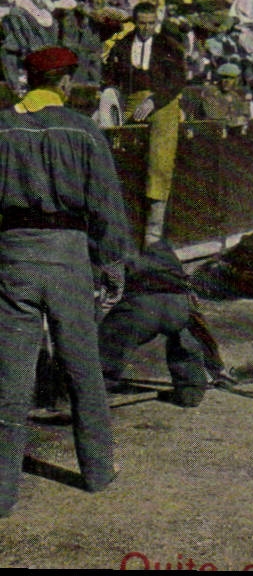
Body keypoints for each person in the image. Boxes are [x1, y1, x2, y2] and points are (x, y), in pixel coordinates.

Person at [0, 46, 130, 516]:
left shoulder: (2, 127)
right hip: (69, 257)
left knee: (11, 376)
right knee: (82, 369)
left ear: (25, 78)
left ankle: (2, 493)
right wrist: (112, 266)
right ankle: (96, 474)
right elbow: (107, 208)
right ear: (67, 83)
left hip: (14, 257)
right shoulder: (84, 131)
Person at [102, 2, 187, 246]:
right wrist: (109, 90)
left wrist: (155, 100)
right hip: (131, 100)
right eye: (143, 23)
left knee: (161, 154)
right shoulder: (123, 43)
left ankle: (154, 227)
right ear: (135, 21)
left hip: (161, 101)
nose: (147, 28)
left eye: (152, 23)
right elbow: (110, 74)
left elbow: (178, 80)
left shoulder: (168, 45)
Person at [98, 239, 211, 408]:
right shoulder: (167, 253)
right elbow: (202, 333)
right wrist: (217, 368)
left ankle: (98, 385)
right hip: (180, 302)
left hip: (142, 305)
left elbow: (112, 275)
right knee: (185, 343)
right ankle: (190, 391)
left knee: (111, 339)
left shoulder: (122, 247)